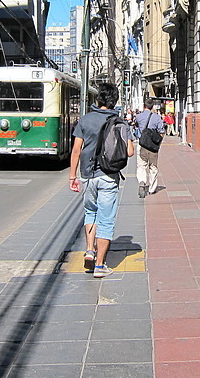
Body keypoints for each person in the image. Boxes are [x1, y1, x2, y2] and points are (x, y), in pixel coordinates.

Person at [69, 83, 134, 278]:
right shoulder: (120, 122)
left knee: (91, 212)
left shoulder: (85, 120)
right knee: (106, 220)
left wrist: (73, 176)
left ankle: (89, 250)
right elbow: (130, 151)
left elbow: (75, 150)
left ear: (98, 100)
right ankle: (99, 266)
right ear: (115, 100)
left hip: (88, 175)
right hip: (109, 175)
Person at [135, 98, 165, 198]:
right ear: (152, 107)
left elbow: (136, 127)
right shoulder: (157, 117)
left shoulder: (138, 116)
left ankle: (142, 182)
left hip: (142, 144)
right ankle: (152, 188)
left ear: (144, 106)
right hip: (152, 145)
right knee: (153, 167)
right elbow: (161, 131)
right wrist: (159, 143)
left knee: (141, 165)